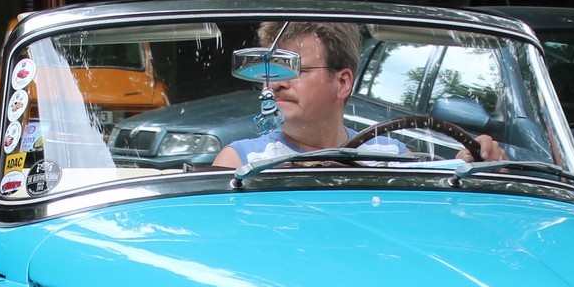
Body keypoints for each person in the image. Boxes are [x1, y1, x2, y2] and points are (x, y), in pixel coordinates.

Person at [211, 20, 504, 168]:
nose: (275, 84)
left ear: (342, 82)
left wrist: (472, 165)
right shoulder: (241, 162)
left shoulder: (391, 157)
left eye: (294, 69)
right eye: (271, 71)